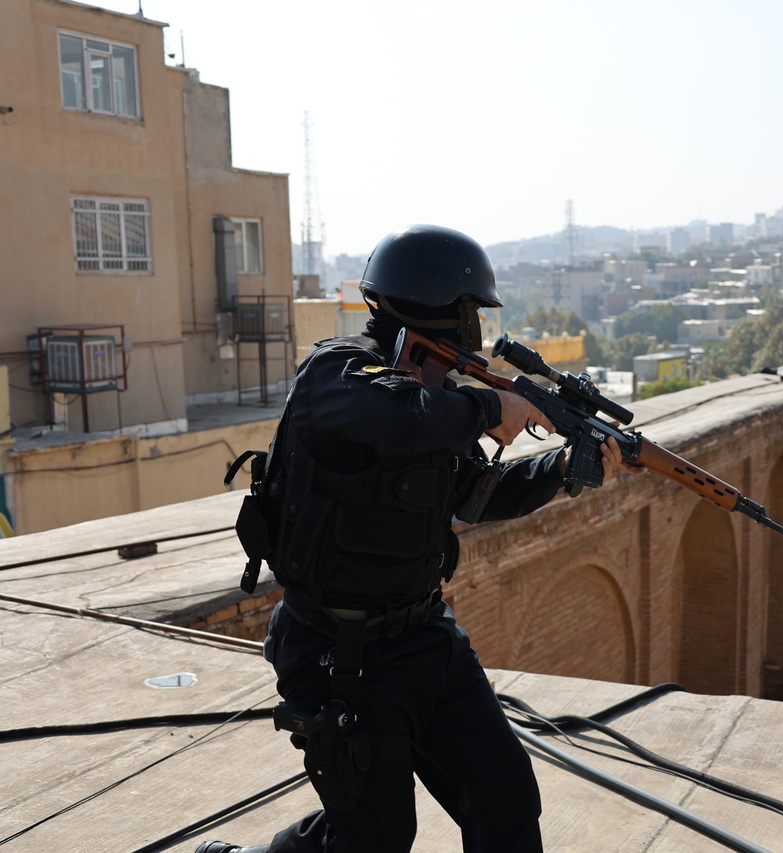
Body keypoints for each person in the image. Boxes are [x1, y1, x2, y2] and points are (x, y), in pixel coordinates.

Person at [200, 225, 643, 853]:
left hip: (425, 641)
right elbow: (386, 413)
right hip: (337, 653)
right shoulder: (337, 373)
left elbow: (478, 494)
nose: (476, 333)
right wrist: (491, 410)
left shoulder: (433, 403)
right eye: (468, 314)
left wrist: (568, 468)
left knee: (506, 799)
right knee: (372, 839)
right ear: (437, 309)